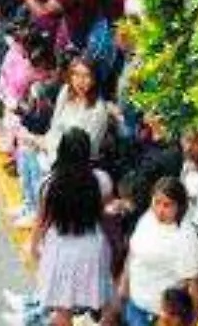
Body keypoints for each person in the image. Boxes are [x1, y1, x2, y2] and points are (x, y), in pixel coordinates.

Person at [32, 128, 112, 325]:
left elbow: (42, 220)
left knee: (62, 308)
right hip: (93, 247)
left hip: (61, 250)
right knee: (101, 300)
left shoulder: (50, 184)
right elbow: (103, 209)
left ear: (61, 151)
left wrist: (34, 245)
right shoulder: (102, 180)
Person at [120, 177, 198, 326]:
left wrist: (194, 319)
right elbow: (133, 254)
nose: (160, 210)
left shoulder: (187, 237)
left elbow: (192, 282)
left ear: (180, 207)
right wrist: (123, 286)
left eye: (167, 205)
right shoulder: (147, 219)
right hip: (134, 303)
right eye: (156, 202)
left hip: (160, 315)